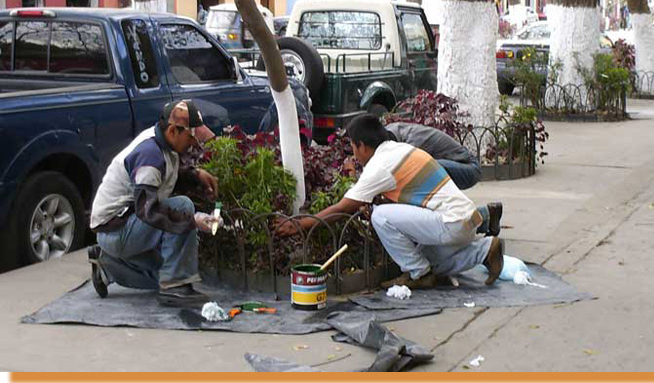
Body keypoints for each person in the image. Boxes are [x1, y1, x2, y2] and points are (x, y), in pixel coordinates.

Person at [276, 114, 505, 290]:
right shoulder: (400, 149)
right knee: (426, 259)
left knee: (380, 216)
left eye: (353, 148)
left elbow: (344, 208)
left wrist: (301, 224)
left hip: (450, 224)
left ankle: (418, 274)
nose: (354, 155)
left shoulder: (380, 165)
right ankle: (484, 250)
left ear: (362, 145)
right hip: (464, 221)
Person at [88, 100, 220, 307]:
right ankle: (175, 288)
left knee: (164, 272)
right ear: (173, 131)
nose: (194, 143)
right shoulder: (149, 155)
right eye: (191, 137)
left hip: (119, 225)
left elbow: (164, 176)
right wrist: (191, 221)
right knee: (183, 207)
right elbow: (148, 211)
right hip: (117, 228)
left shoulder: (162, 141)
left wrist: (195, 175)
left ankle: (108, 266)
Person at [385, 122, 502, 236]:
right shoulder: (392, 132)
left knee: (421, 173)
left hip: (468, 168)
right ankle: (485, 216)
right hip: (453, 165)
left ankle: (469, 222)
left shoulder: (412, 142)